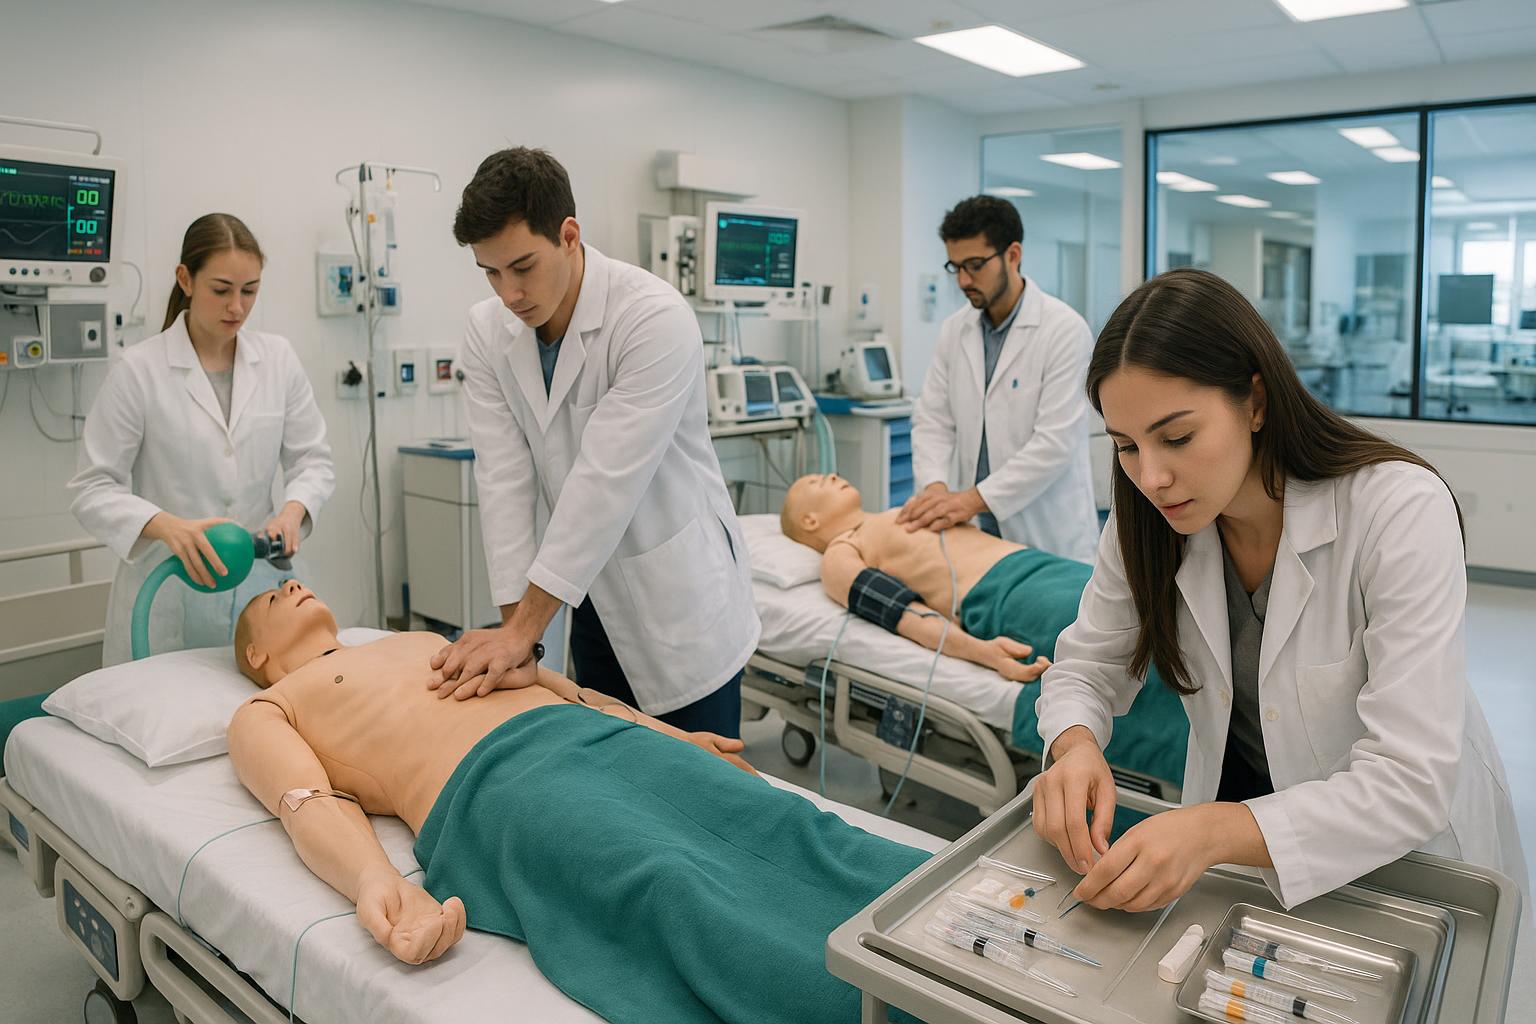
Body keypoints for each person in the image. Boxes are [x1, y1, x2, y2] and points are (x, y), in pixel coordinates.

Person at [1033, 270, 1531, 941]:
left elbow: (1410, 779)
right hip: (1247, 834)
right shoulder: (1146, 524)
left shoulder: (1398, 510)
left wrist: (1213, 828)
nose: (1150, 476)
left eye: (1175, 437)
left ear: (1256, 402)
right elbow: (1088, 666)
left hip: (1410, 858)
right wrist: (1074, 746)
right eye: (1125, 446)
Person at [226, 581, 926, 1024]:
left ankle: (972, 952)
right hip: (500, 785)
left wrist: (671, 736)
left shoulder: (415, 638)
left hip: (595, 735)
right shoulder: (272, 704)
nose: (290, 583)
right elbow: (306, 799)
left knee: (791, 826)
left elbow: (562, 686)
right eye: (269, 600)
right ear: (257, 654)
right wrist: (376, 884)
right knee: (669, 886)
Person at [433, 148, 756, 738]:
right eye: (491, 272)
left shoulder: (652, 319)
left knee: (703, 793)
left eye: (523, 267)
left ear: (569, 235)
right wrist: (518, 637)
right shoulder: (487, 332)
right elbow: (503, 481)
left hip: (678, 598)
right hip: (587, 595)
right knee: (614, 773)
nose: (509, 293)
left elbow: (603, 485)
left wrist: (524, 632)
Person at [781, 472, 1188, 789]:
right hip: (1006, 596)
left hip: (1041, 567)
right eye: (818, 482)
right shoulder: (841, 552)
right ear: (810, 520)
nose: (832, 477)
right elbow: (905, 615)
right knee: (1142, 645)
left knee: (1170, 611)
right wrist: (982, 651)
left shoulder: (892, 513)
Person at [70, 213, 333, 665]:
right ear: (185, 279)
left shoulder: (277, 359)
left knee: (262, 718)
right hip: (167, 589)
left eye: (250, 291)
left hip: (259, 590)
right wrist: (168, 526)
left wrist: (293, 511)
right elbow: (92, 488)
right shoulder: (139, 369)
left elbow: (313, 460)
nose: (237, 306)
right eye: (221, 289)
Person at [901, 195, 1098, 562]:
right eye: (955, 266)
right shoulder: (953, 331)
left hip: (1045, 532)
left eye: (975, 265)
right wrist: (935, 488)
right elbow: (933, 422)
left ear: (1013, 255)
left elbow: (1054, 444)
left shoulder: (1064, 330)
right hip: (972, 530)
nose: (963, 280)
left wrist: (968, 501)